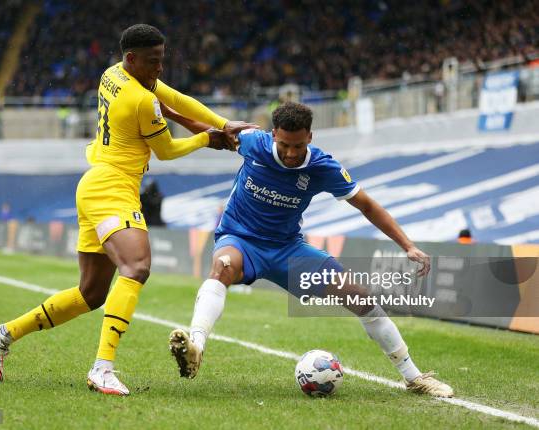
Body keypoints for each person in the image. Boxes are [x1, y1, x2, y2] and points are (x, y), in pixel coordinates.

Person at [0, 24, 254, 396]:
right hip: (113, 188)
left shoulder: (113, 74)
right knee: (136, 267)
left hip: (96, 182)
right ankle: (102, 369)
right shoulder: (140, 100)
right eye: (154, 61)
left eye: (162, 59)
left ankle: (5, 333)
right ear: (132, 58)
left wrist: (221, 124)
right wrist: (209, 138)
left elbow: (175, 98)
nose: (160, 68)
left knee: (91, 293)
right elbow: (167, 150)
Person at [168, 102, 454, 397]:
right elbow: (211, 132)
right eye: (284, 145)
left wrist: (407, 245)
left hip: (288, 249)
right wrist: (171, 113)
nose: (291, 153)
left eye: (299, 146)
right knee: (223, 267)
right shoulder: (253, 142)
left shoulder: (323, 167)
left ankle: (414, 377)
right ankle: (196, 346)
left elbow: (367, 205)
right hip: (240, 238)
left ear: (310, 137)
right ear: (273, 135)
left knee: (361, 298)